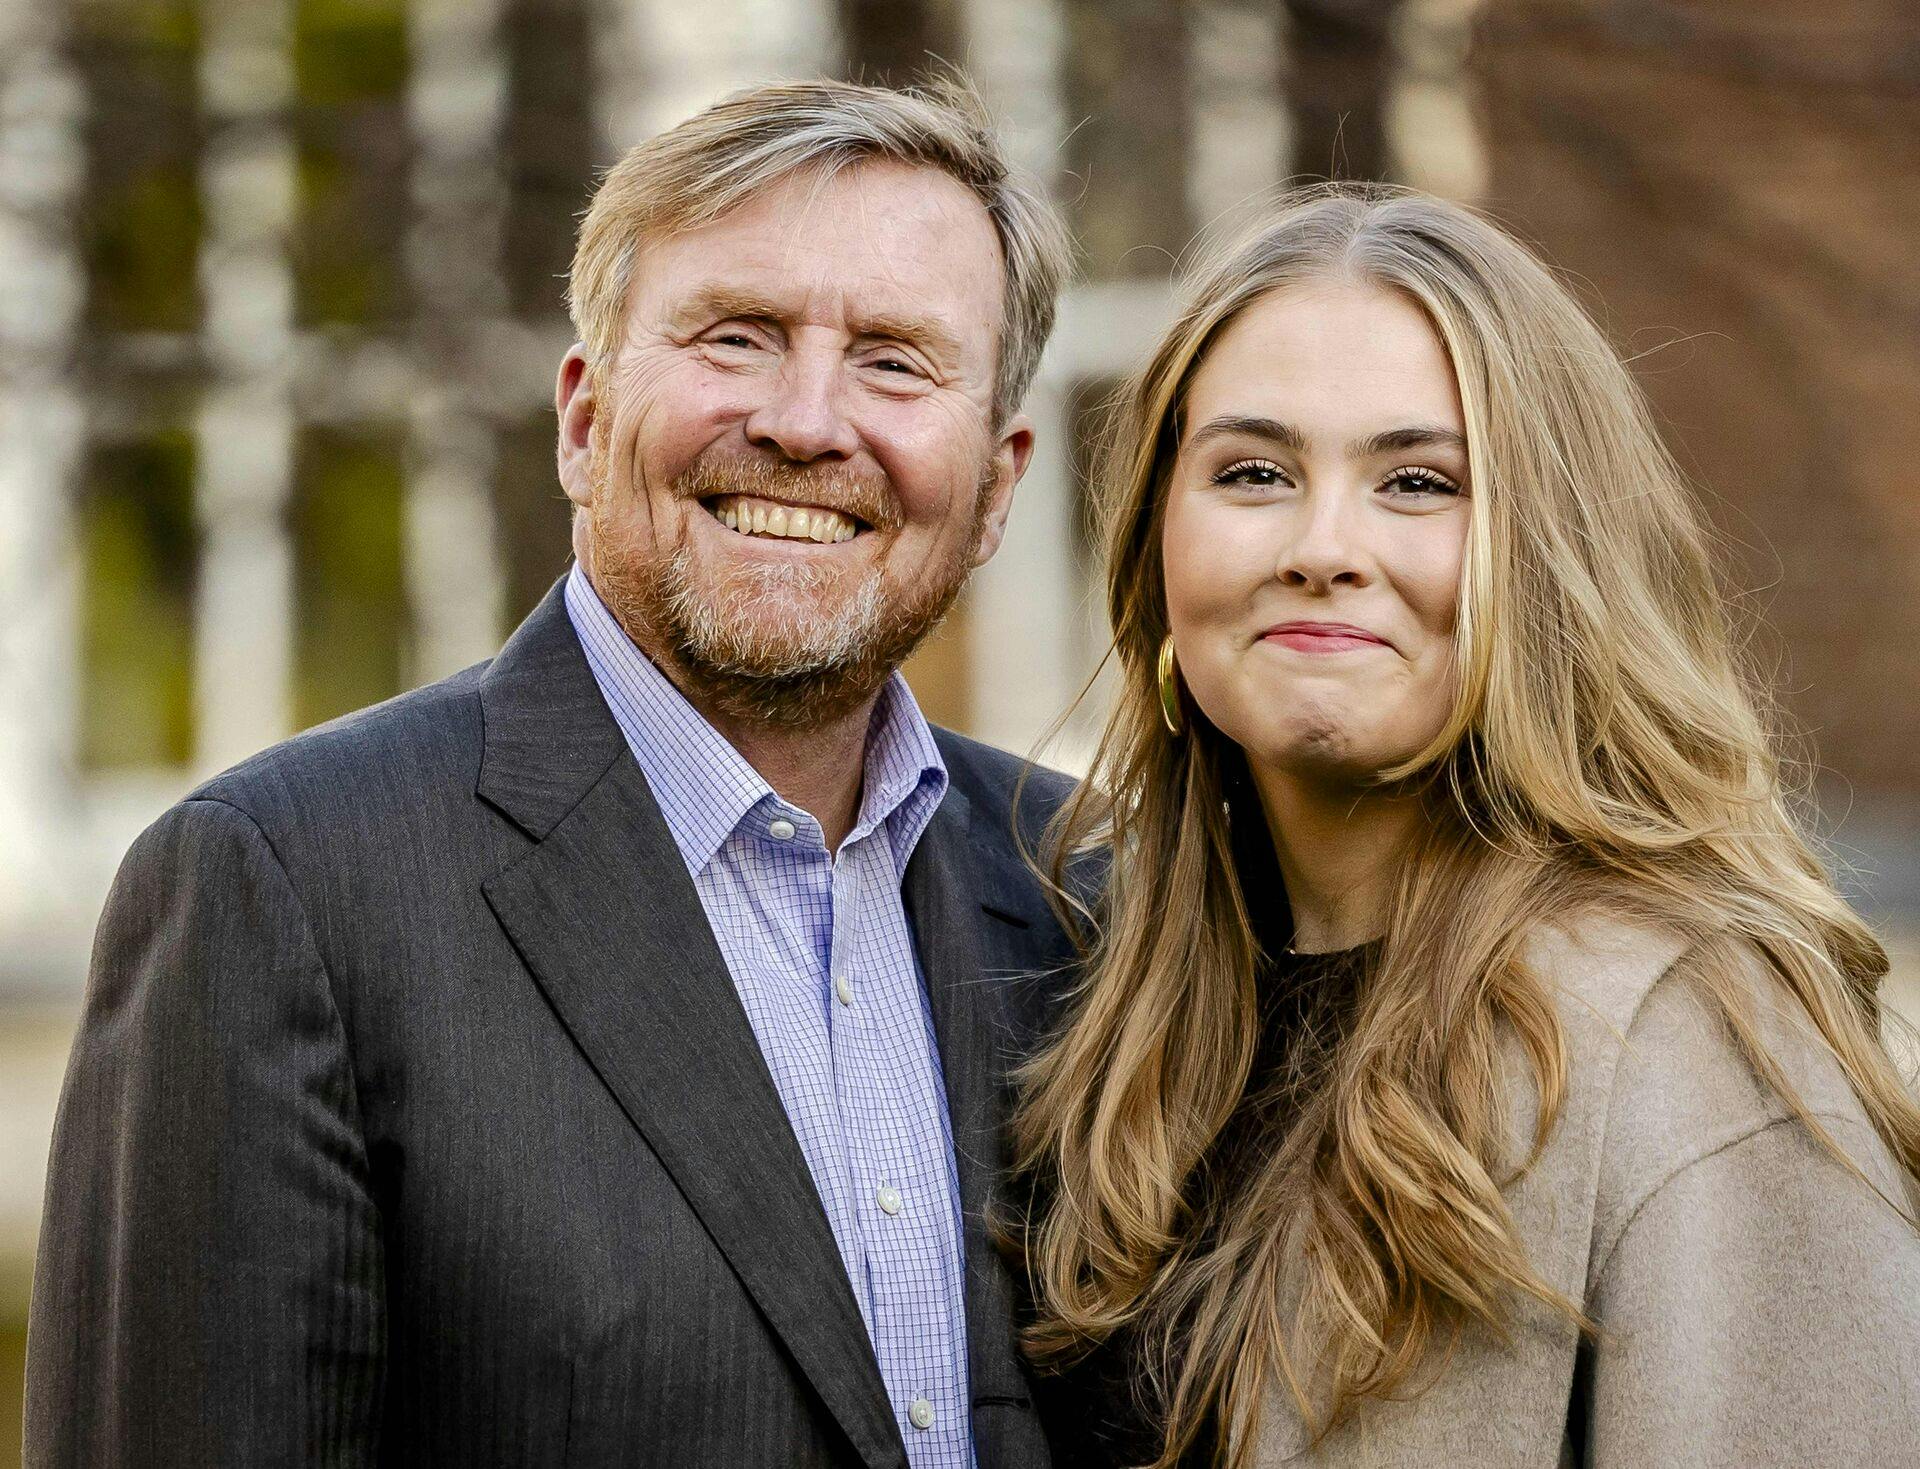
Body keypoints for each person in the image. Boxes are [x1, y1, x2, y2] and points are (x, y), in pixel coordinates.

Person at [28, 76, 1076, 1468]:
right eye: (737, 336)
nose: (809, 421)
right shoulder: (283, 892)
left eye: (895, 359)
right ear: (584, 419)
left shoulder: (1087, 892)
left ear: (999, 484)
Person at [1008, 184, 1920, 1467]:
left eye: (1420, 481)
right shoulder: (1107, 1016)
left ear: (1552, 553)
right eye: (1254, 472)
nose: (1324, 546)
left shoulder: (1689, 1040)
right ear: (1159, 542)